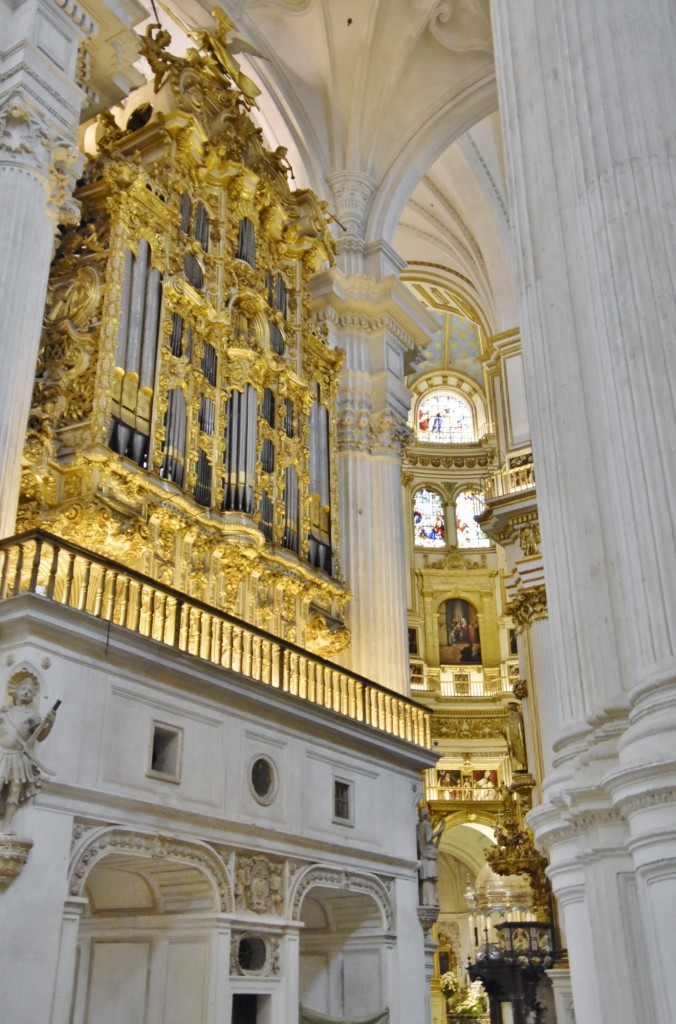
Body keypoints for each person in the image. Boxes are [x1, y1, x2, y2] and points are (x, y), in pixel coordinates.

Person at [0, 675, 57, 832]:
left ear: (33, 696)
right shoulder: (4, 712)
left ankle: (7, 825)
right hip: (2, 755)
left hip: (19, 757)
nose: (26, 692)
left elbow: (40, 736)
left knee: (14, 792)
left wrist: (50, 724)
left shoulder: (32, 715)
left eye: (29, 691)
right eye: (23, 689)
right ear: (16, 691)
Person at [416, 807, 444, 906]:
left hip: (423, 855)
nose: (429, 816)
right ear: (426, 816)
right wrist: (439, 832)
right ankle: (430, 900)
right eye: (428, 814)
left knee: (427, 879)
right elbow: (428, 838)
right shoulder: (426, 825)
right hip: (428, 856)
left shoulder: (418, 826)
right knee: (429, 878)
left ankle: (426, 900)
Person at [503, 701, 528, 771]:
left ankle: (523, 764)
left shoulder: (518, 715)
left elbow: (520, 728)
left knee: (520, 752)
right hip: (513, 741)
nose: (509, 710)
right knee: (514, 752)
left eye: (511, 707)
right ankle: (520, 765)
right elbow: (505, 729)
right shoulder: (508, 718)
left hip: (518, 740)